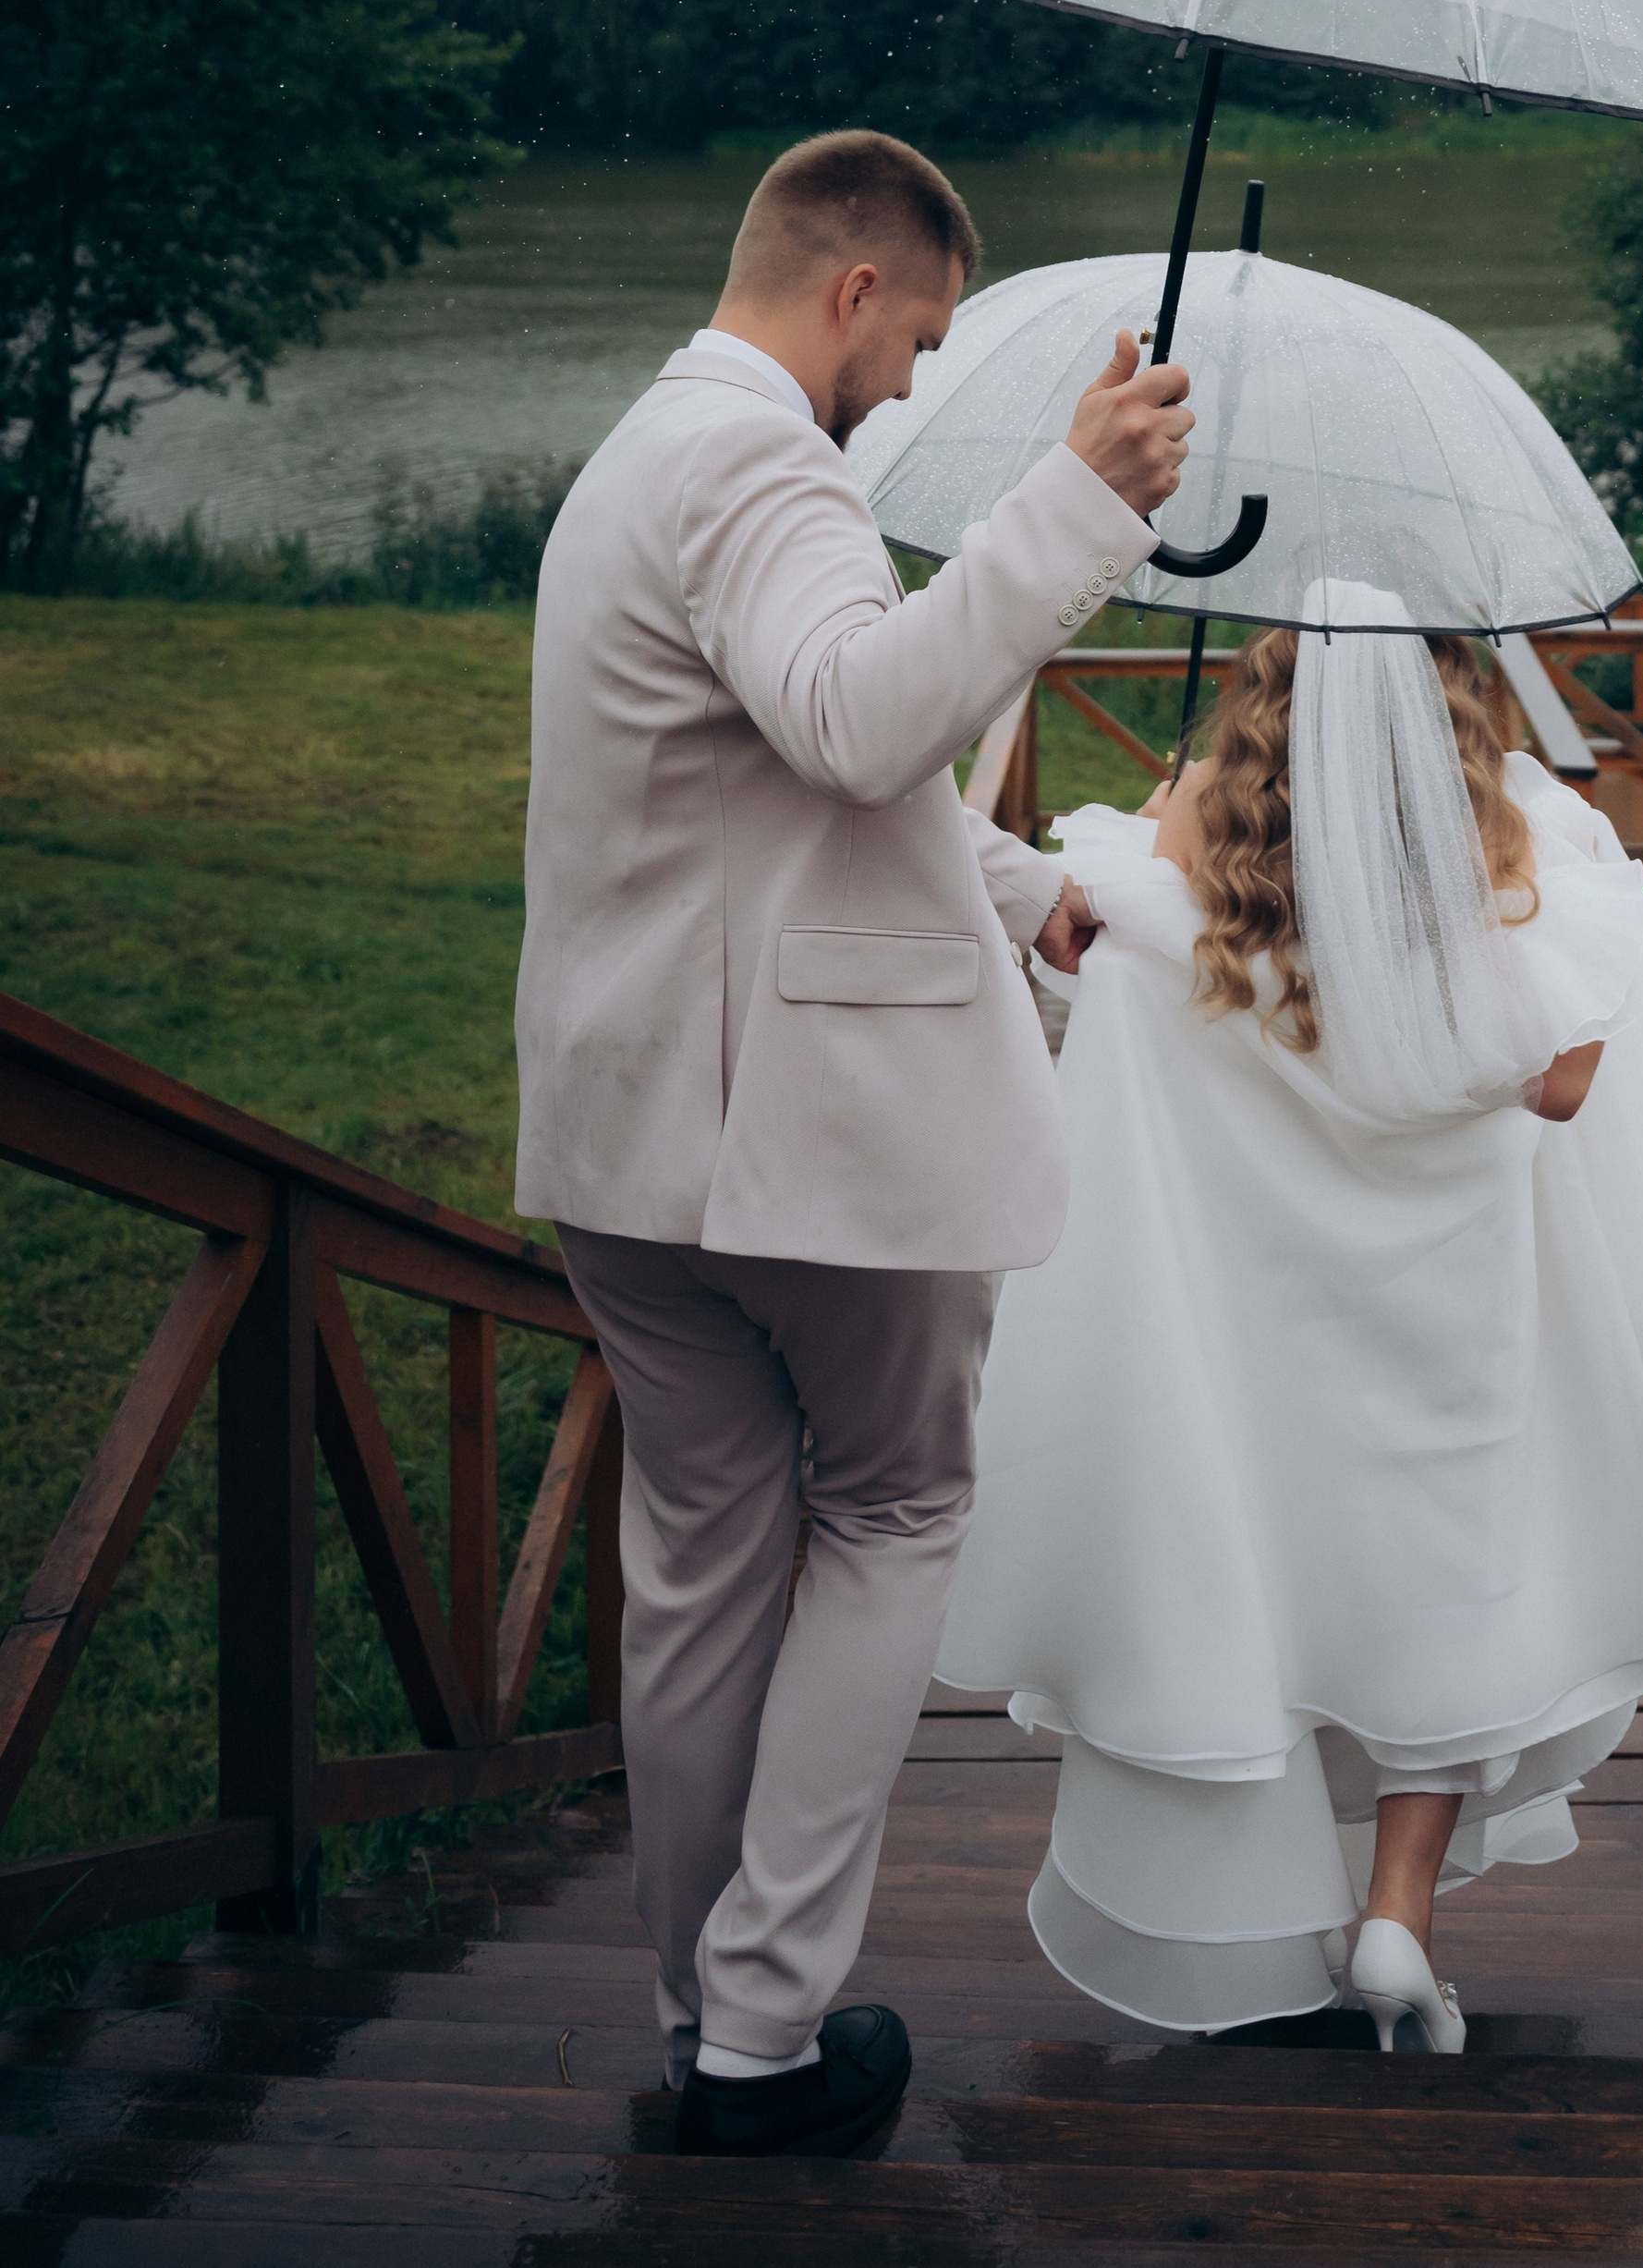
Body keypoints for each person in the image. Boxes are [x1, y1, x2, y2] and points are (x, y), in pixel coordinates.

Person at [515, 129, 1190, 2157]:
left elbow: (774, 785)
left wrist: (1021, 891)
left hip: (632, 1139)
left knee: (706, 1564)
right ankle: (764, 2031)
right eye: (919, 340)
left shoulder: (638, 459)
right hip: (802, 1147)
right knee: (895, 1511)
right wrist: (1078, 497)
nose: (910, 386)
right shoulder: (757, 463)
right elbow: (852, 717)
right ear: (853, 290)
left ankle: (706, 2019)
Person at [936, 586, 1643, 2052]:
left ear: (1267, 694)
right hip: (1448, 1300)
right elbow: (1562, 1084)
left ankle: (1273, 1894)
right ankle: (1397, 1917)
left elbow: (1102, 982)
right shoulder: (1510, 839)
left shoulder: (1190, 825)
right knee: (1442, 1581)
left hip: (1257, 1303)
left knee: (1270, 1571)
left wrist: (1170, 845)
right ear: (1451, 699)